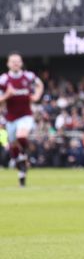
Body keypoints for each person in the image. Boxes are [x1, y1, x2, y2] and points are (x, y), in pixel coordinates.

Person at [0, 53, 43, 187]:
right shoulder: (3, 79)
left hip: (26, 116)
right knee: (14, 150)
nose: (16, 64)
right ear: (8, 64)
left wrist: (36, 96)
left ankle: (26, 157)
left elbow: (39, 84)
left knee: (21, 136)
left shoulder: (28, 76)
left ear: (21, 63)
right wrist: (7, 94)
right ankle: (22, 174)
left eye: (18, 61)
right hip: (11, 118)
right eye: (13, 62)